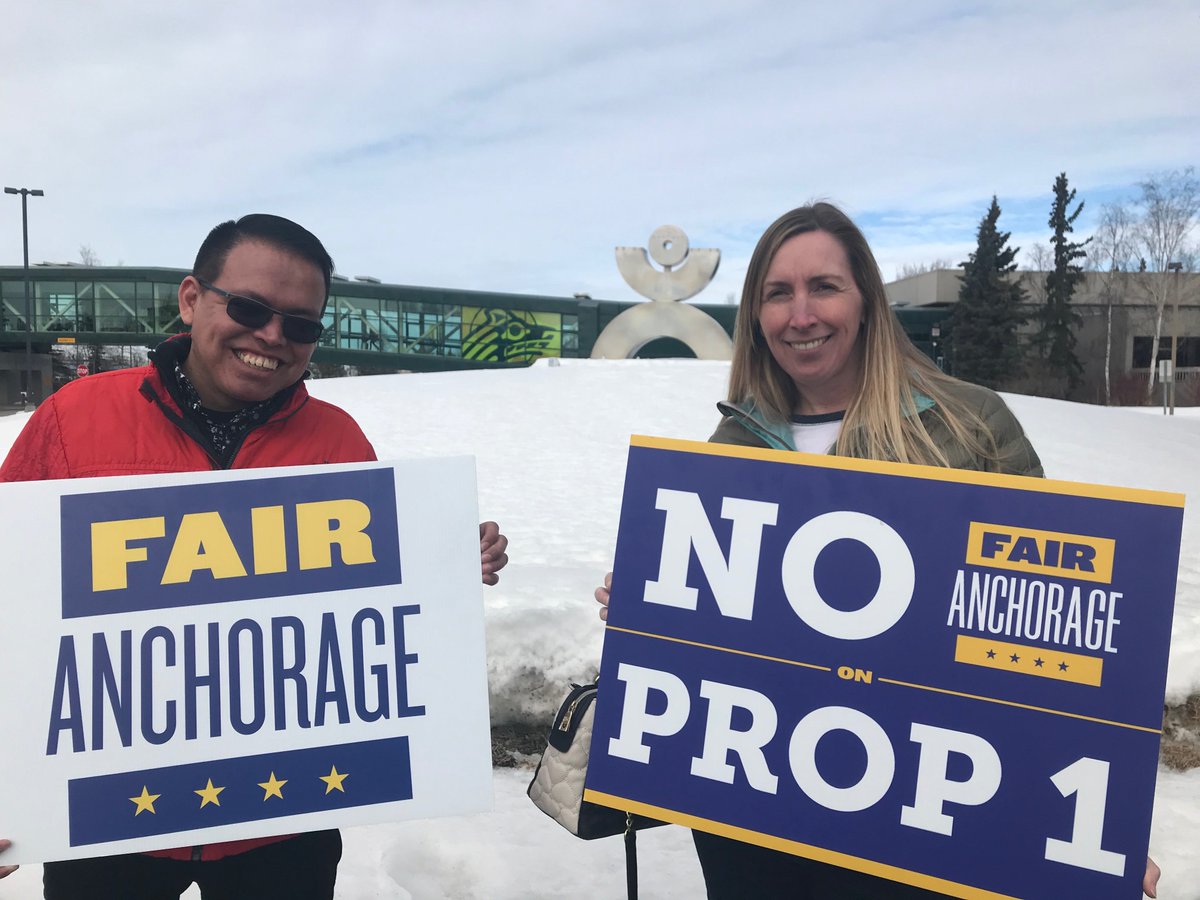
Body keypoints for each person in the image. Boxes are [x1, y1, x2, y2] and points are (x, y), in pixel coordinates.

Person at [595, 202, 1160, 898]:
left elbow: (1042, 632)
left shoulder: (969, 423)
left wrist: (1099, 831)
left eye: (823, 287)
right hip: (758, 816)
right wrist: (652, 612)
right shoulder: (734, 444)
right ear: (757, 315)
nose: (801, 315)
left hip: (928, 812)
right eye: (778, 294)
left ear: (865, 301)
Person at [0, 213, 508, 899]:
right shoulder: (73, 418)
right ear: (191, 299)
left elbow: (367, 603)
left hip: (281, 818)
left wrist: (440, 564)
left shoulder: (335, 439)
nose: (272, 336)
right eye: (249, 308)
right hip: (110, 818)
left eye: (300, 325)